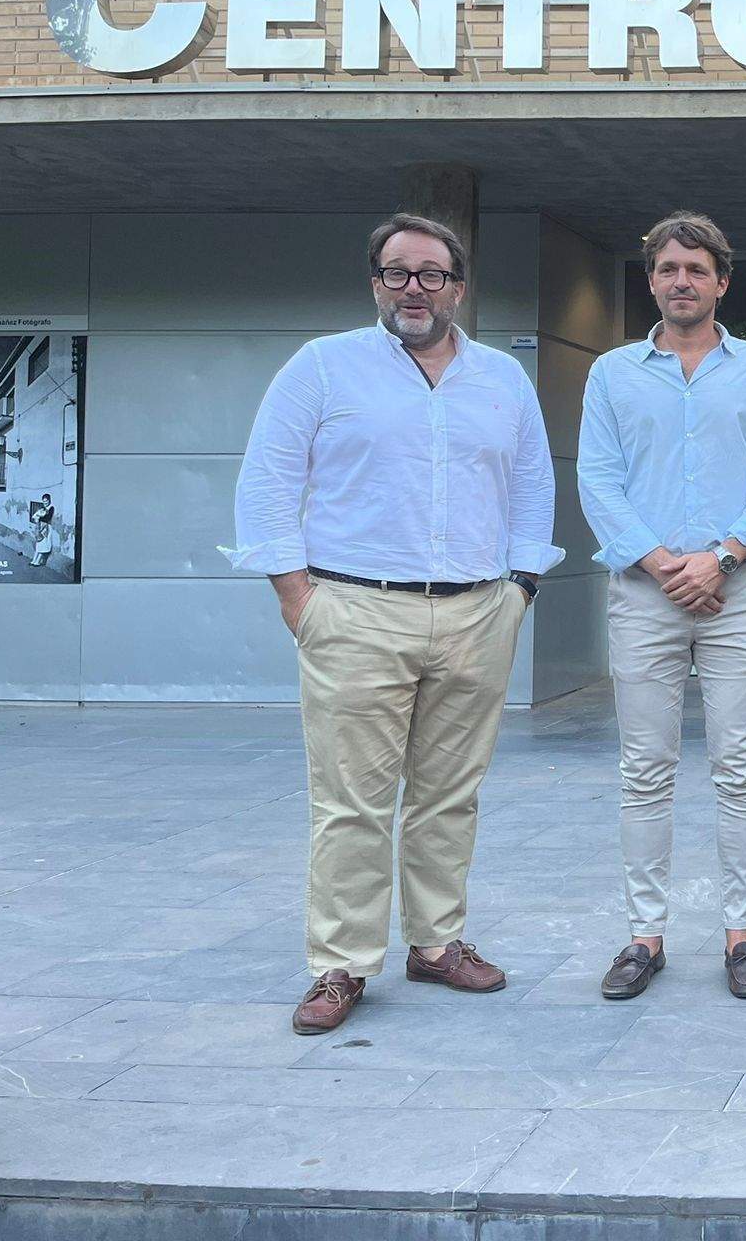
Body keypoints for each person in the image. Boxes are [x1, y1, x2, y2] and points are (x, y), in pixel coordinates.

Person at [230, 213, 562, 1035]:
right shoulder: (322, 367)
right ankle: (339, 964)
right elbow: (267, 482)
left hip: (477, 611)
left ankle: (437, 943)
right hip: (354, 608)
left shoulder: (500, 379)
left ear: (459, 286)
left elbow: (532, 487)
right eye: (398, 272)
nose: (416, 287)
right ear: (375, 282)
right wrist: (297, 597)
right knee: (351, 802)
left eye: (432, 273)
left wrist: (520, 589)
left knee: (451, 796)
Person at [578, 212, 746, 1002]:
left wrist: (725, 555)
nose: (682, 281)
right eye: (668, 268)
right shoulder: (612, 373)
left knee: (741, 768)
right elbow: (596, 479)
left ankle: (744, 937)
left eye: (696, 269)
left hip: (736, 592)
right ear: (652, 280)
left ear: (722, 281)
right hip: (645, 593)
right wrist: (665, 562)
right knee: (646, 770)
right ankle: (645, 936)